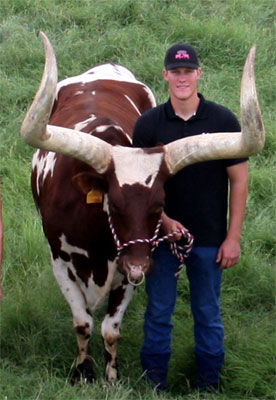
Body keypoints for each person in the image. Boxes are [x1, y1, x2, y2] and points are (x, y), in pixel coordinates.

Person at [132, 43, 248, 393]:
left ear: (198, 74)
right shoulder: (149, 124)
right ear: (165, 75)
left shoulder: (223, 120)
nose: (182, 78)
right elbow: (139, 185)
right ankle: (154, 385)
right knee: (158, 313)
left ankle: (208, 386)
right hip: (161, 239)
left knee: (208, 314)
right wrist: (164, 221)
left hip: (210, 239)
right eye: (175, 72)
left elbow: (239, 181)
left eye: (188, 71)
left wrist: (233, 238)